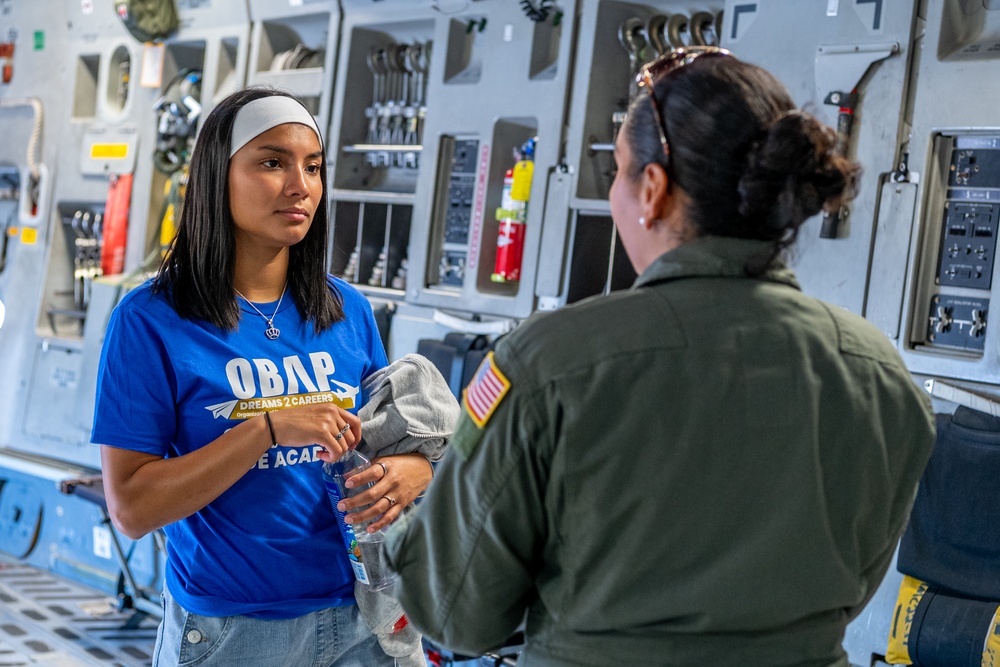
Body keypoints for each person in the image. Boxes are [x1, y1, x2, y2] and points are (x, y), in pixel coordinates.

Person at [384, 47, 937, 666]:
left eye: (618, 172)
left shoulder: (549, 362)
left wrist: (403, 525)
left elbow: (457, 611)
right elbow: (852, 589)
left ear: (652, 189)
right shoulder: (880, 374)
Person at [92, 87, 433, 666]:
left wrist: (413, 469)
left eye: (313, 166)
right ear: (215, 177)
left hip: (366, 619)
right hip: (236, 633)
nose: (300, 185)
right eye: (272, 162)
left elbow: (384, 442)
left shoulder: (345, 309)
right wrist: (265, 429)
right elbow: (131, 509)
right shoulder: (151, 320)